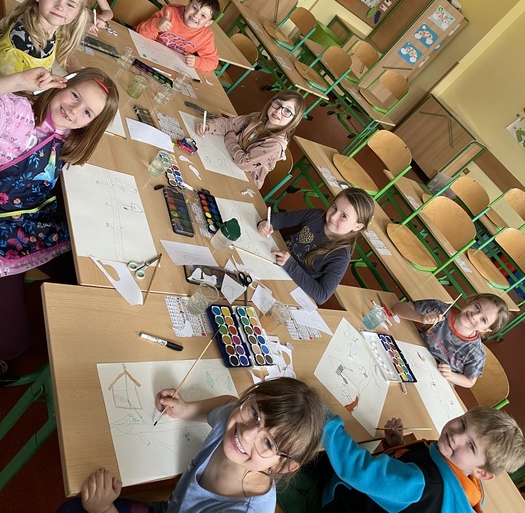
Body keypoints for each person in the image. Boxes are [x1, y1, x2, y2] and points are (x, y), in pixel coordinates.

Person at [56, 377, 325, 513]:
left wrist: (104, 509)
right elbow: (228, 403)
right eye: (254, 412)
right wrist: (186, 409)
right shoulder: (232, 419)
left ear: (284, 465)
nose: (246, 434)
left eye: (268, 442)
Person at [0, 66, 119, 369]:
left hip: (30, 222)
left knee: (91, 279)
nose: (74, 110)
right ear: (60, 85)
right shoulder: (17, 114)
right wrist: (17, 82)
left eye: (87, 112)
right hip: (3, 228)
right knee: (13, 346)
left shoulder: (68, 136)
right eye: (74, 95)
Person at [277, 407, 525, 512]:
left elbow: (358, 470)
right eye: (462, 423)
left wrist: (328, 422)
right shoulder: (464, 478)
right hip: (353, 489)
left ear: (483, 473)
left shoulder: (423, 484)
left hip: (334, 502)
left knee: (271, 470)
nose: (456, 435)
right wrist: (395, 446)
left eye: (470, 445)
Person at [258, 188, 375, 304]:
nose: (333, 216)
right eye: (334, 207)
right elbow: (287, 218)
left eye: (343, 216)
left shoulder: (340, 256)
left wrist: (290, 264)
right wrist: (269, 223)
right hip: (272, 255)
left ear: (357, 226)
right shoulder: (317, 215)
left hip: (288, 281)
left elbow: (322, 295)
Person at [391, 293, 510, 388]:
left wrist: (451, 375)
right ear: (471, 301)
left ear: (486, 329)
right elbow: (397, 307)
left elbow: (469, 381)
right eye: (477, 307)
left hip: (433, 381)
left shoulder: (476, 353)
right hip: (407, 354)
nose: (474, 316)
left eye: (483, 320)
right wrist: (420, 318)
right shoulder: (439, 309)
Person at [196, 90, 306, 189]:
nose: (278, 111)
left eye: (287, 111)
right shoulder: (256, 118)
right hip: (228, 157)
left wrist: (230, 139)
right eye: (278, 103)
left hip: (244, 180)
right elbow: (230, 124)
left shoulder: (275, 146)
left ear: (294, 119)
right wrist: (209, 126)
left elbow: (244, 163)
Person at [0, 0, 88, 76]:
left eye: (70, 5)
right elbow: (9, 83)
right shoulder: (21, 40)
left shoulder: (54, 30)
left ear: (77, 13)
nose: (60, 7)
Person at [135, 0, 220, 71]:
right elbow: (140, 33)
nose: (196, 15)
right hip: (146, 54)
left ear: (208, 23)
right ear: (187, 5)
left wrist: (197, 62)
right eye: (194, 8)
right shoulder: (169, 14)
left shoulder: (206, 37)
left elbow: (213, 62)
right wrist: (157, 24)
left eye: (203, 15)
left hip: (170, 66)